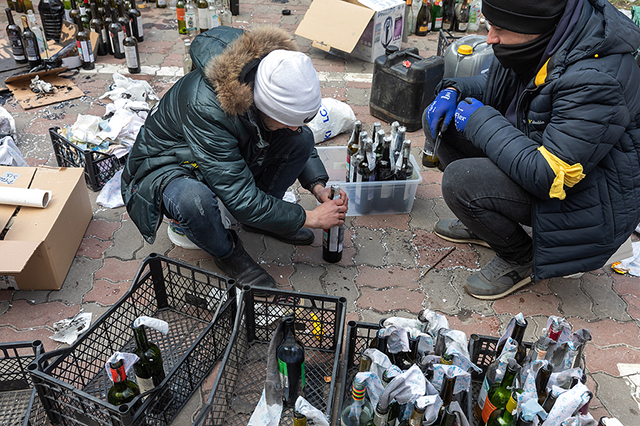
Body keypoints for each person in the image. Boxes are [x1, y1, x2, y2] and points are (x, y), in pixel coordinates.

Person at [423, 0, 640, 299]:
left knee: (462, 180)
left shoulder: (597, 77)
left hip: (586, 198)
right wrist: (455, 90)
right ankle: (486, 226)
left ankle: (520, 257)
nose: (490, 38)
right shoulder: (544, 40)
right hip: (544, 153)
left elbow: (549, 175)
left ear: (535, 28)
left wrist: (478, 122)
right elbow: (495, 84)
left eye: (500, 28)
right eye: (490, 25)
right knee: (443, 123)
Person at [121, 26, 348, 289]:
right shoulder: (208, 107)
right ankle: (228, 255)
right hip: (166, 165)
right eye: (288, 121)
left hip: (211, 155)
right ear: (265, 105)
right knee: (193, 200)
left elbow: (299, 137)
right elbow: (241, 199)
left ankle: (262, 220)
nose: (294, 127)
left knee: (300, 140)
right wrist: (310, 217)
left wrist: (317, 186)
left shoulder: (267, 80)